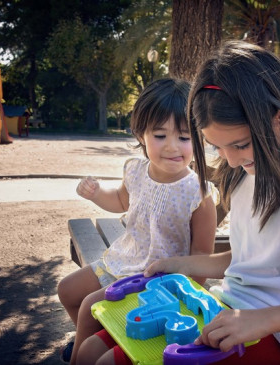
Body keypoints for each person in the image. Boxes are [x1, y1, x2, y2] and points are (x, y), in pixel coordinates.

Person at [78, 41, 280, 365]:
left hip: (278, 339)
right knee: (92, 348)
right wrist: (180, 264)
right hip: (225, 312)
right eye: (217, 147)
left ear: (279, 118)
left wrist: (260, 320)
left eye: (240, 144)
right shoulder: (249, 171)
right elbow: (250, 259)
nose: (230, 161)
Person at [57, 78, 217, 365]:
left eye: (184, 137)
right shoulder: (136, 171)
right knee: (67, 291)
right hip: (123, 259)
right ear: (141, 134)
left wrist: (180, 296)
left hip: (157, 281)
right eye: (160, 135)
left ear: (200, 138)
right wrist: (96, 194)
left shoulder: (199, 193)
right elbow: (120, 200)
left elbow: (203, 254)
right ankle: (91, 337)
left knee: (89, 307)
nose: (172, 147)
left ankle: (80, 355)